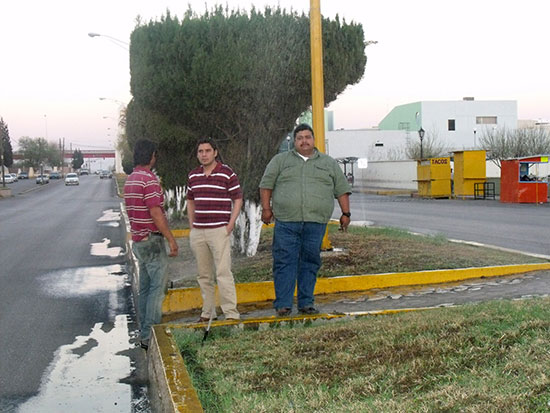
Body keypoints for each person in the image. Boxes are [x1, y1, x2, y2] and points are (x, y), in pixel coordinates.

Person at [259, 123, 352, 316]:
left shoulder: (328, 163)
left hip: (316, 223)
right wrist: (266, 209)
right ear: (294, 141)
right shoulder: (280, 161)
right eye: (300, 137)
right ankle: (283, 304)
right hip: (286, 222)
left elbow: (341, 189)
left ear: (313, 139)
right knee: (284, 262)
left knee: (310, 262)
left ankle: (306, 303)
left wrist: (346, 213)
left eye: (307, 137)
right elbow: (266, 185)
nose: (304, 141)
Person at [124, 139, 179, 351]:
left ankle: (144, 332)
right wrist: (171, 240)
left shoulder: (130, 180)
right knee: (158, 289)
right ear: (152, 156)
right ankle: (150, 335)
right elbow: (156, 213)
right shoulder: (149, 180)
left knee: (145, 289)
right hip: (152, 240)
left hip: (138, 240)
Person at [187, 137, 243, 322]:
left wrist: (230, 224)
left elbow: (237, 199)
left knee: (223, 272)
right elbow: (190, 201)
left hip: (219, 230)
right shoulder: (193, 175)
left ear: (215, 152)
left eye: (207, 151)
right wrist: (192, 225)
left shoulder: (227, 173)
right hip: (199, 232)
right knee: (204, 275)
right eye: (200, 151)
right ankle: (208, 312)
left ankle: (231, 314)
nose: (204, 155)